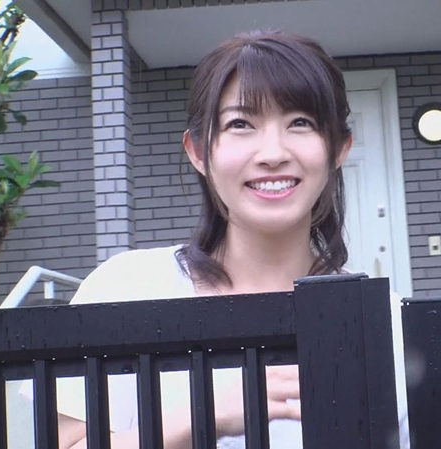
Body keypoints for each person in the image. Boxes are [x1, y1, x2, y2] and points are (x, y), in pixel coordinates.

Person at [52, 30, 410, 449]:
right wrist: (202, 416)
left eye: (300, 123)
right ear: (198, 151)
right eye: (240, 124)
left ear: (339, 148)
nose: (273, 153)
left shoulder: (384, 320)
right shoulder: (126, 288)